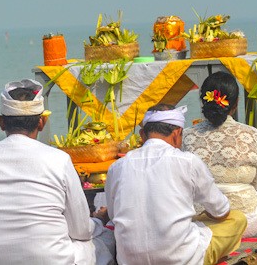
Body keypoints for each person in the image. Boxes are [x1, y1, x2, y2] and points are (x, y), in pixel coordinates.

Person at [0, 79, 114, 265]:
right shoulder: (59, 159)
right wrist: (98, 221)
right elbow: (81, 230)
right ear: (42, 122)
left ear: (1, 122)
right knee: (103, 240)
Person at [105, 104, 247, 265]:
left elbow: (113, 216)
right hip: (181, 259)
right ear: (177, 133)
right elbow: (221, 211)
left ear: (142, 135)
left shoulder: (117, 166)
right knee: (237, 219)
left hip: (130, 260)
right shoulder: (188, 161)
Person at [183, 71, 257, 236]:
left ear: (204, 100)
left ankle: (238, 230)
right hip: (250, 223)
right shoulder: (251, 134)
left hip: (201, 225)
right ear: (236, 103)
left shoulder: (186, 135)